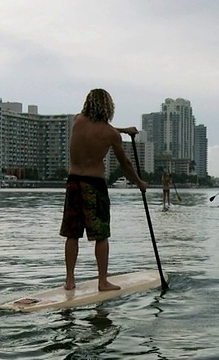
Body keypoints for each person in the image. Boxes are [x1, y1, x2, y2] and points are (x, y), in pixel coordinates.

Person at [59, 88, 147, 292]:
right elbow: (125, 163)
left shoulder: (77, 120)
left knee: (72, 234)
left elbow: (93, 127)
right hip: (94, 185)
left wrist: (123, 130)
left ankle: (70, 280)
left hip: (73, 182)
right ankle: (102, 281)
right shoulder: (110, 134)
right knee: (101, 235)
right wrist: (139, 182)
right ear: (109, 106)